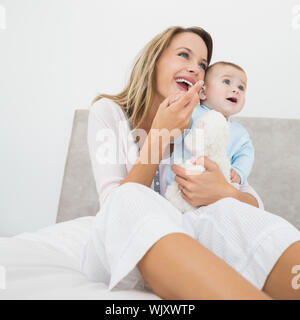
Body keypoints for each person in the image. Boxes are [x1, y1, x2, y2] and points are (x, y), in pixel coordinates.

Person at [80, 26, 300, 300]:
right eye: (184, 55)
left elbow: (253, 202)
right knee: (129, 198)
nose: (195, 69)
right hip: (125, 245)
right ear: (154, 59)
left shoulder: (201, 122)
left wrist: (225, 191)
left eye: (202, 64)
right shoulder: (108, 113)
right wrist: (160, 134)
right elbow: (116, 210)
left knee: (227, 211)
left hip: (189, 241)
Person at [166, 61, 254, 188]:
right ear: (203, 92)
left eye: (241, 87)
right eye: (227, 82)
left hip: (214, 190)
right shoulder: (191, 113)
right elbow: (174, 135)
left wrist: (239, 172)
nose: (236, 90)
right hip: (180, 184)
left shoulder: (240, 133)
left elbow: (246, 155)